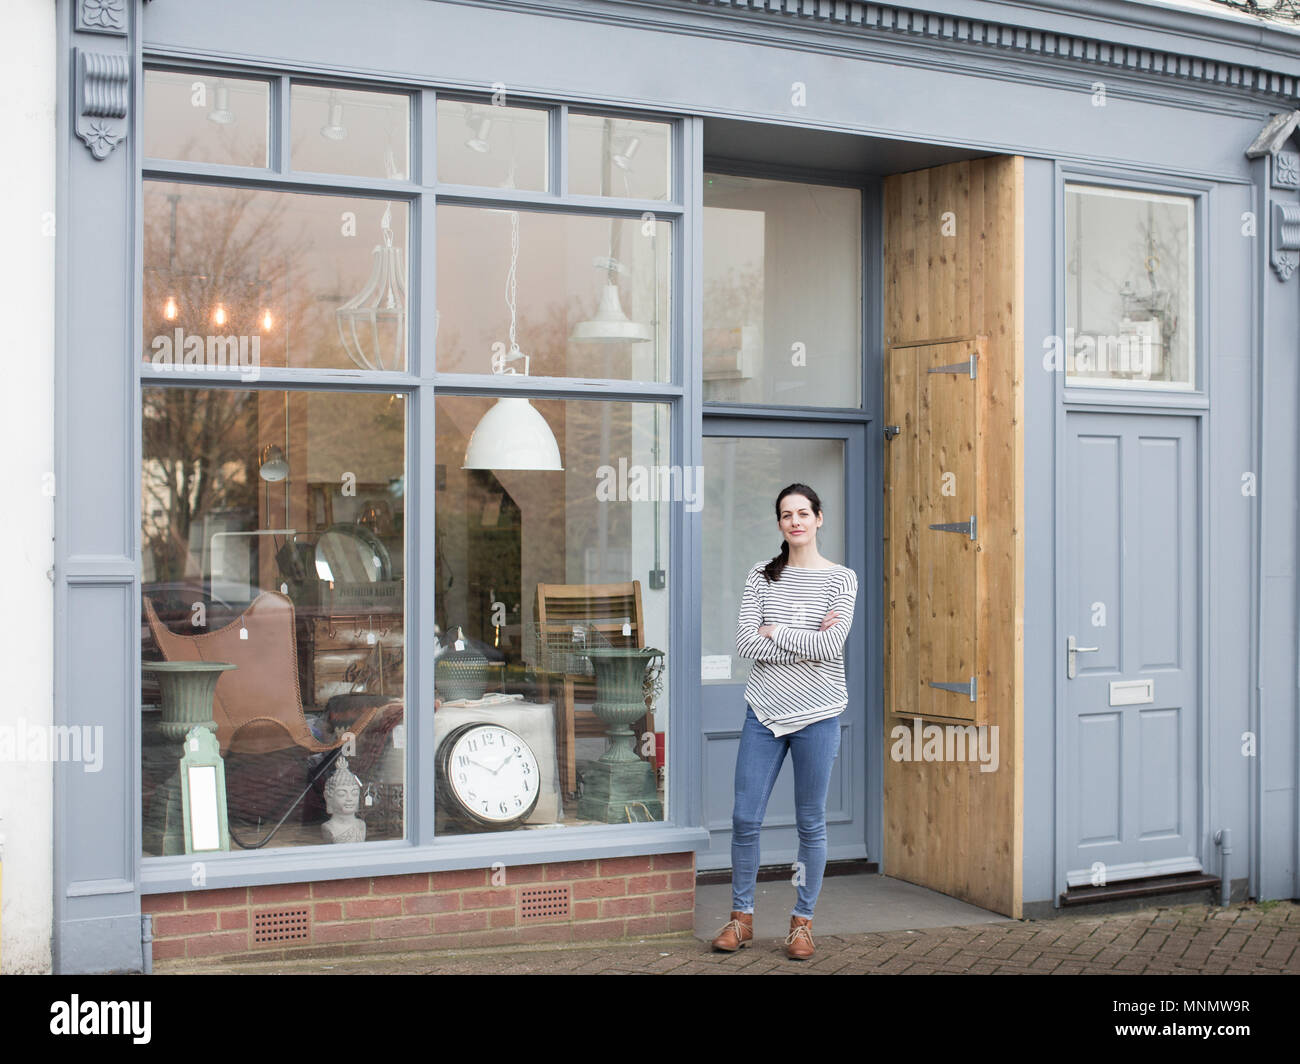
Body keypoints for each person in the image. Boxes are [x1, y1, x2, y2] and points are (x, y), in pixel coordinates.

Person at [710, 483, 858, 960]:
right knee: (744, 818)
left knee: (810, 822)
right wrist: (802, 637)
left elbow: (829, 648)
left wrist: (778, 631)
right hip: (764, 713)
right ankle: (741, 919)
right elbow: (747, 646)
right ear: (779, 524)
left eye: (803, 513)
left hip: (818, 715)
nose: (795, 521)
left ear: (819, 519)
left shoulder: (841, 579)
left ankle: (802, 924)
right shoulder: (760, 575)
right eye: (786, 514)